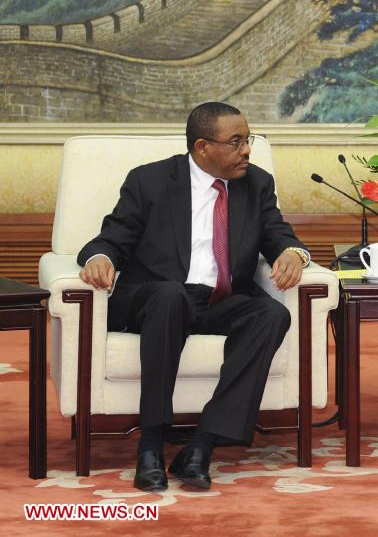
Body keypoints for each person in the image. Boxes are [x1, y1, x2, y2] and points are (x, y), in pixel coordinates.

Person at [78, 102, 310, 492]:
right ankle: (150, 443)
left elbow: (278, 234)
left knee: (271, 315)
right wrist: (99, 259)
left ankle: (201, 445)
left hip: (217, 301)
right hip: (156, 300)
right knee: (171, 296)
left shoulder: (256, 183)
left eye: (247, 139)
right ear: (202, 147)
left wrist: (293, 253)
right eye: (236, 142)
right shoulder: (149, 181)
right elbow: (111, 239)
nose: (247, 150)